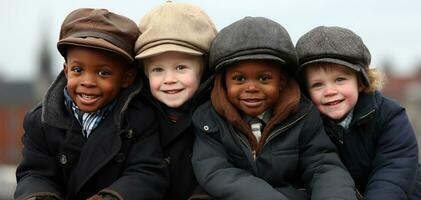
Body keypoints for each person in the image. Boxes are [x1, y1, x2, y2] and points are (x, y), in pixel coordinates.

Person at [191, 16, 356, 200]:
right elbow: (216, 171)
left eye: (264, 78)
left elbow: (322, 165)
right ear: (223, 82)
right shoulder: (208, 118)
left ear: (282, 81)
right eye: (239, 79)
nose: (251, 87)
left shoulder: (303, 114)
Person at [14, 8, 168, 200]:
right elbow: (34, 173)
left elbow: (146, 173)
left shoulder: (138, 119)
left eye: (103, 73)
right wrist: (40, 195)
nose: (88, 81)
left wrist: (112, 197)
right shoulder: (42, 120)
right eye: (78, 70)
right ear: (66, 70)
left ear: (127, 78)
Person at [295, 25, 421, 199]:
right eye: (318, 84)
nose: (330, 91)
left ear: (361, 82)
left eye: (340, 80)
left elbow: (394, 169)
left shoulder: (390, 116)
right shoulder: (306, 123)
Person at [134, 2, 217, 200]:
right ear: (145, 73)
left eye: (180, 67)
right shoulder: (133, 115)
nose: (169, 79)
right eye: (158, 69)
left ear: (204, 68)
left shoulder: (219, 113)